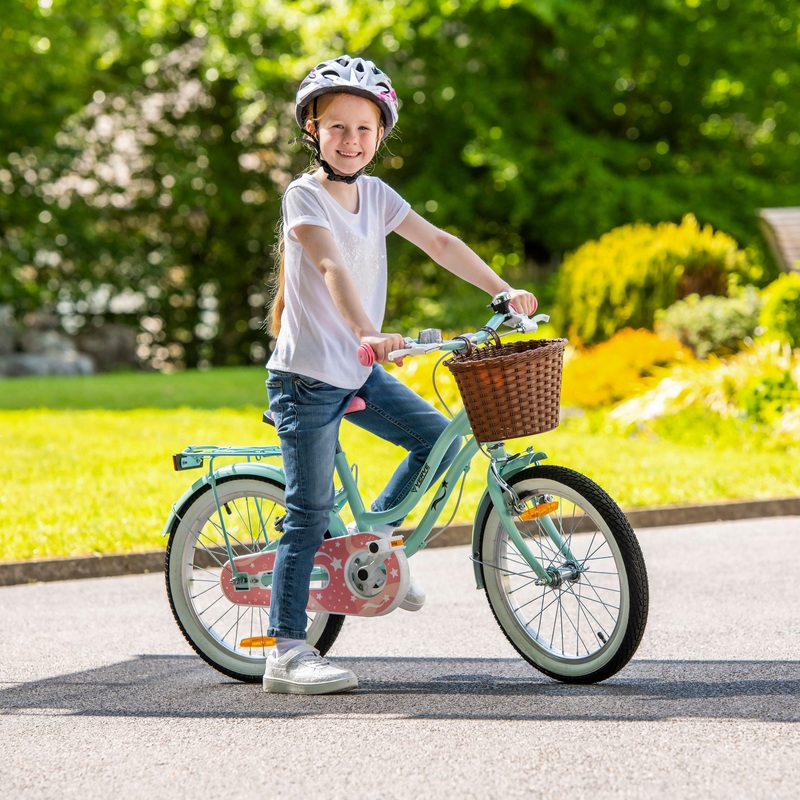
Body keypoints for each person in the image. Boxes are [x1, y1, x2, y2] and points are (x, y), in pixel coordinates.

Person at [263, 55, 537, 694]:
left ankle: (373, 546)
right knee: (308, 509)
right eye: (336, 127)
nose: (350, 139)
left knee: (434, 442)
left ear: (380, 135)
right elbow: (331, 266)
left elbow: (439, 242)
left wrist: (504, 292)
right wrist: (366, 331)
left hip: (357, 375)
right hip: (308, 379)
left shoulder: (378, 196)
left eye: (363, 128)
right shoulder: (304, 196)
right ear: (313, 130)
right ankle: (285, 650)